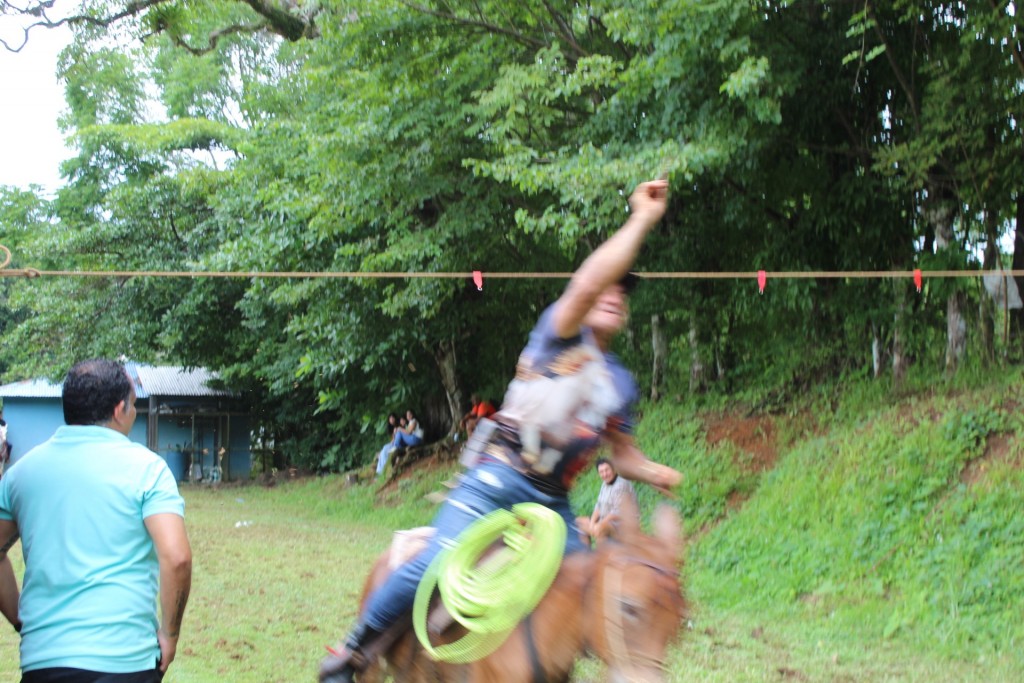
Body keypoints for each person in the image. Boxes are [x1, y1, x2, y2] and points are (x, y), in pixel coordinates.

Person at [319, 178, 682, 683]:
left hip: (553, 504)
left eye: (623, 293)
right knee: (437, 563)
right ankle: (354, 650)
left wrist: (655, 471)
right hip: (497, 479)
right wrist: (641, 219)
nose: (614, 295)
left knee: (591, 586)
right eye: (609, 285)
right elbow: (584, 283)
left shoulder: (619, 382)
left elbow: (621, 453)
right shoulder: (558, 333)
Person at [0, 359, 193, 683]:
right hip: (127, 660)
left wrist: (21, 619)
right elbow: (177, 558)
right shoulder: (148, 469)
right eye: (134, 404)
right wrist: (170, 635)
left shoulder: (21, 473)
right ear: (120, 409)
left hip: (44, 661)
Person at [576, 457, 638, 545]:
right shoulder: (604, 484)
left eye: (607, 470)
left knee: (600, 529)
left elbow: (617, 512)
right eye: (601, 472)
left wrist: (600, 524)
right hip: (607, 520)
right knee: (578, 522)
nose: (605, 474)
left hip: (623, 524)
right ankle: (587, 554)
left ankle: (604, 555)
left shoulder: (621, 484)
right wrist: (592, 523)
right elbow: (599, 506)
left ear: (613, 469)